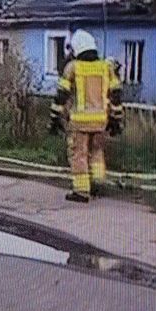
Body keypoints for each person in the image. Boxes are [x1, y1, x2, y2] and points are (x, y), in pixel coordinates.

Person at [49, 30, 123, 203]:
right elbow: (116, 95)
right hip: (101, 121)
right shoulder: (106, 67)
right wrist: (116, 118)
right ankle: (98, 185)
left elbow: (61, 95)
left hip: (80, 122)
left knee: (79, 154)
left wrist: (54, 118)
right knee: (97, 152)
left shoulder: (73, 68)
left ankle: (81, 191)